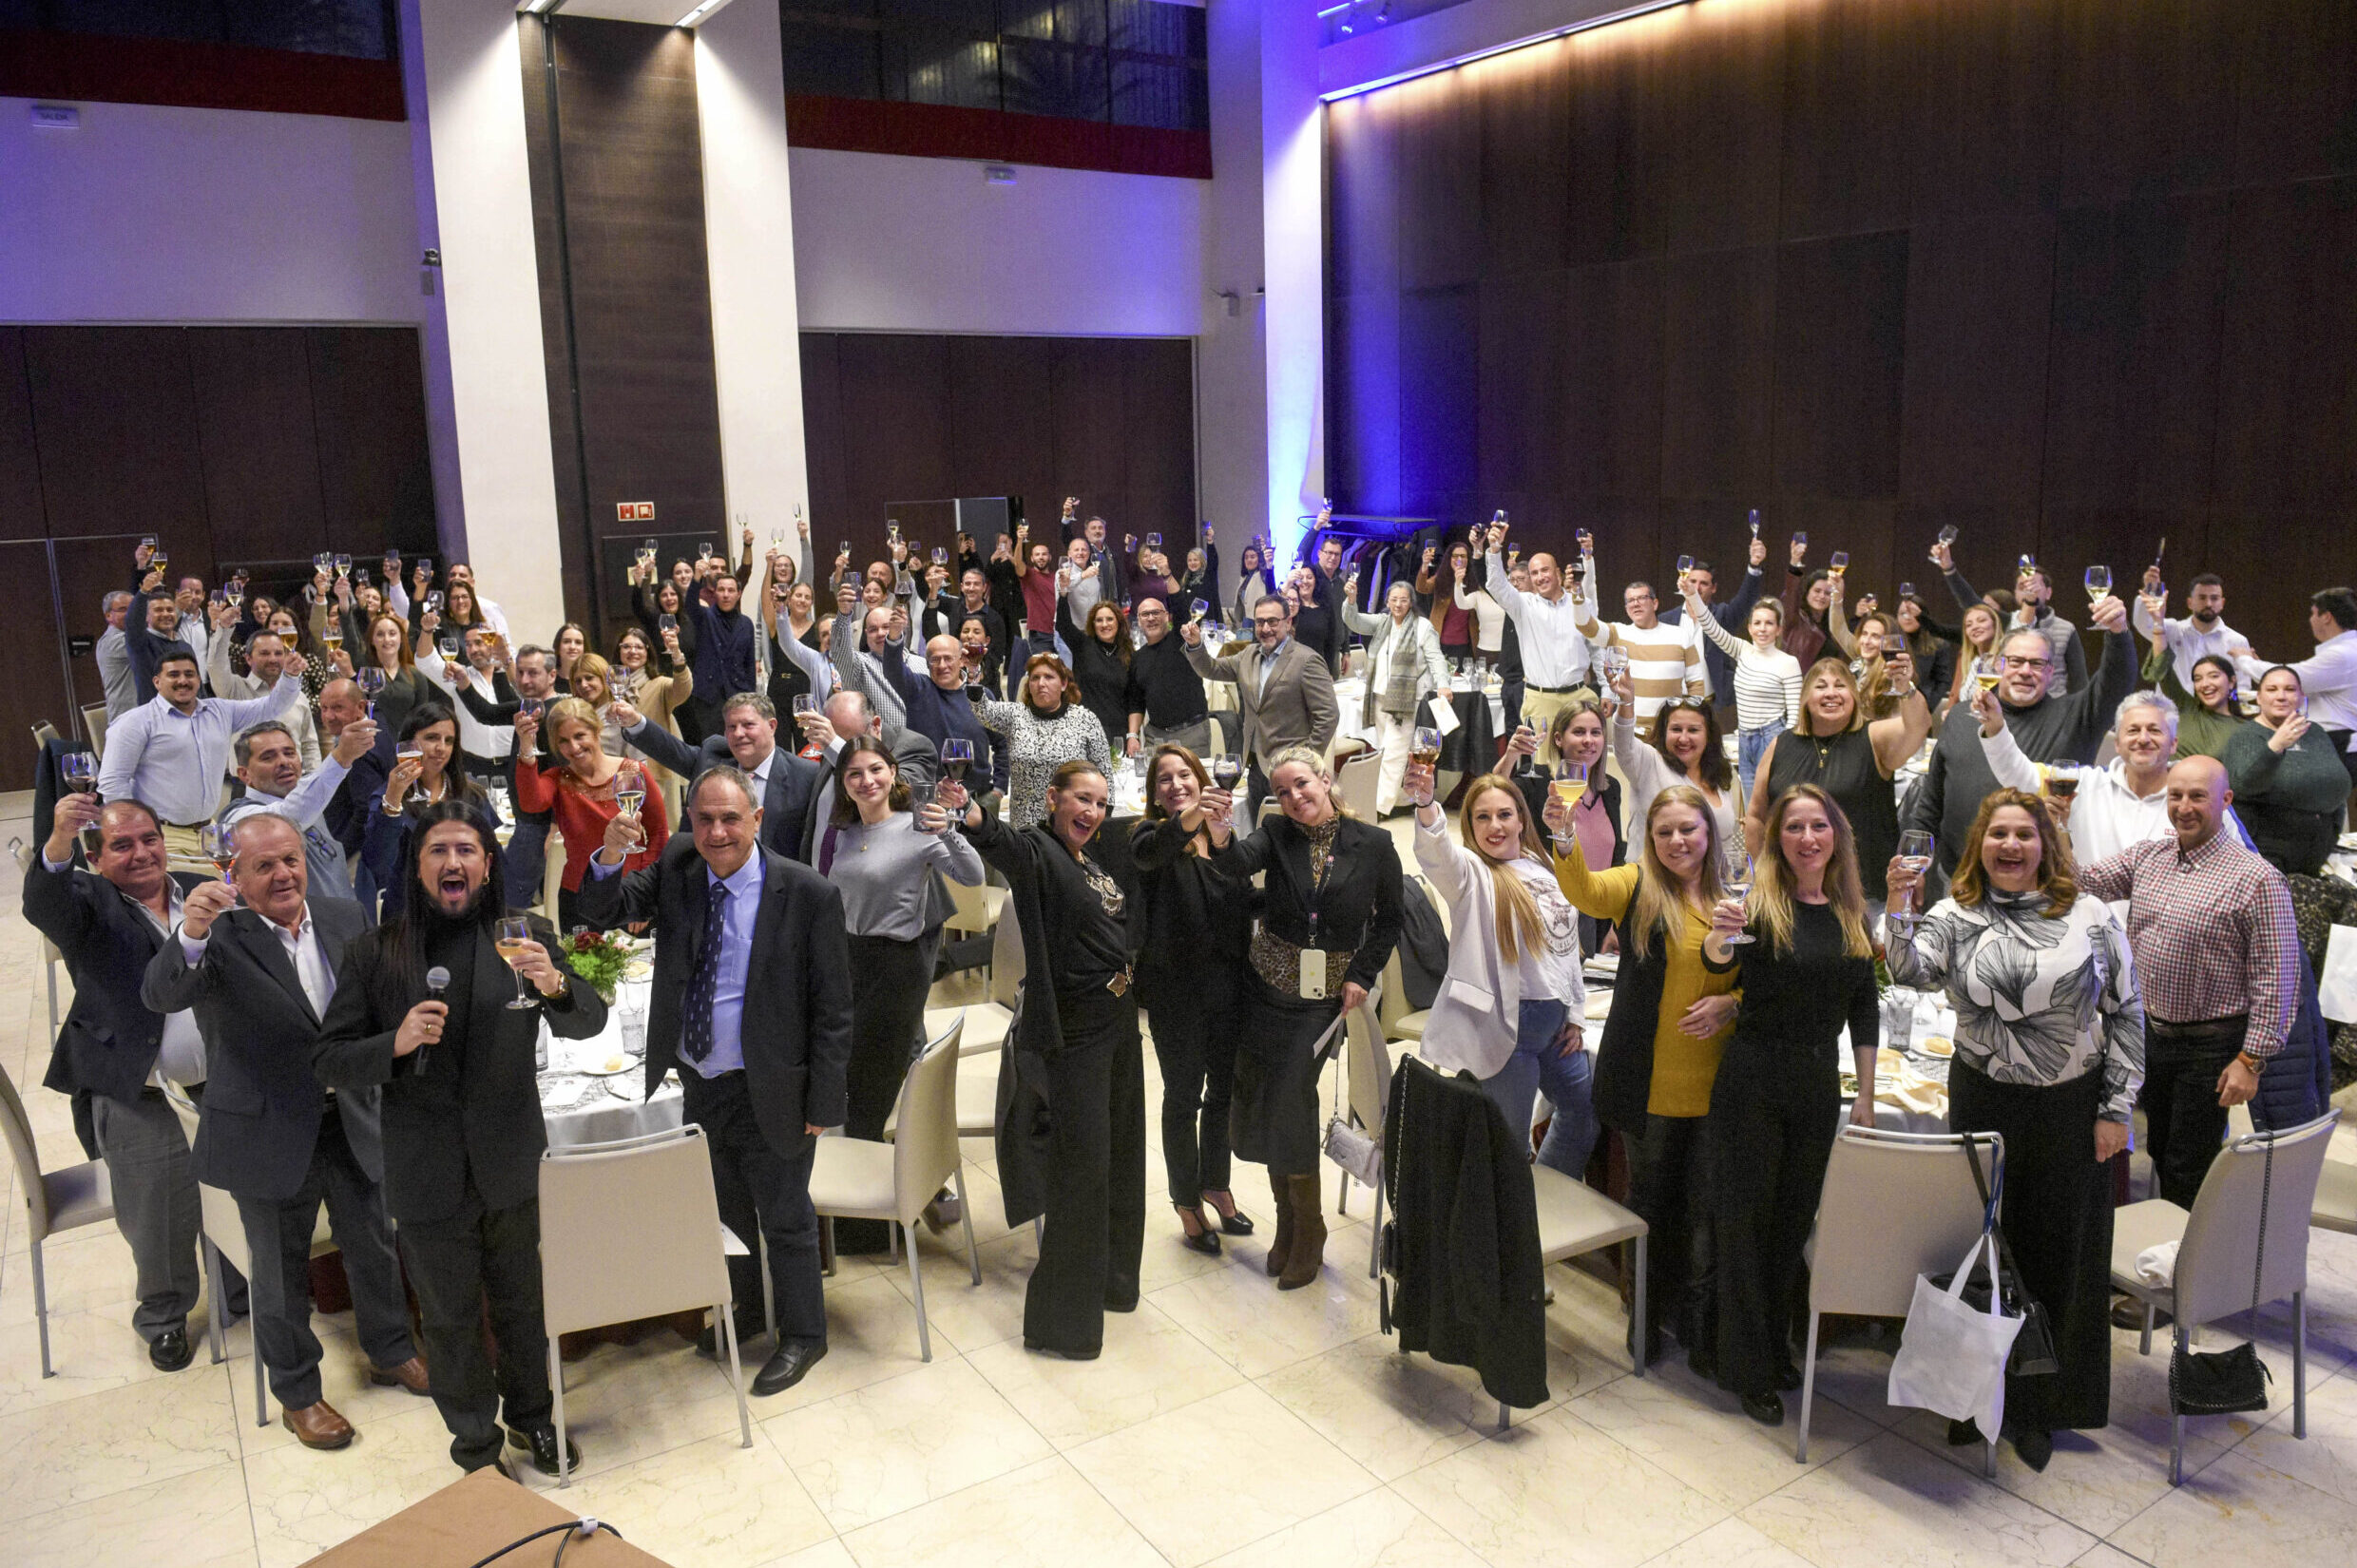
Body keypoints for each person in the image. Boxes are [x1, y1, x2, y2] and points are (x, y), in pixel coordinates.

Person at [314, 805, 604, 1476]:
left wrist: (555, 983)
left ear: (488, 865)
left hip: (511, 1162)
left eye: (467, 850)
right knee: (448, 1320)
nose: (453, 863)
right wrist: (394, 1043)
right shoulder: (375, 952)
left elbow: (587, 1024)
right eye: (438, 851)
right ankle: (474, 1443)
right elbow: (328, 1059)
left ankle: (534, 1420)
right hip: (426, 1172)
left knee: (523, 1306)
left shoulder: (525, 937)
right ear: (417, 868)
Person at [142, 814, 426, 1450]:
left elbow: (378, 1004)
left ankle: (391, 1350)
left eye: (290, 859)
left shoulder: (344, 915)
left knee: (374, 1244)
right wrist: (190, 932)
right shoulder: (218, 937)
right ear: (235, 876)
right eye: (264, 866)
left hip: (350, 1116)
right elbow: (160, 994)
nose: (283, 875)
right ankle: (298, 1392)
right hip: (267, 1130)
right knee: (277, 1269)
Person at [1886, 790, 2144, 1471]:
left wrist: (2116, 1109)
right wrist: (1899, 903)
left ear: (2045, 845)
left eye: (2023, 835)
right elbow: (1907, 971)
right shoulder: (1955, 914)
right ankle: (1972, 1395)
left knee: (2058, 1251)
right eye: (1997, 834)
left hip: (2070, 1106)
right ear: (1979, 846)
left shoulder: (2090, 915)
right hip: (1983, 1101)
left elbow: (2126, 1012)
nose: (2010, 846)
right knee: (1983, 1252)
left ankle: (2039, 1408)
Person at [578, 766, 853, 1394]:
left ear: (757, 819)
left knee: (784, 1217)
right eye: (704, 819)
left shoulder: (807, 893)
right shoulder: (679, 864)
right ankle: (748, 1311)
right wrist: (610, 855)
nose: (717, 831)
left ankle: (805, 1334)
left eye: (731, 818)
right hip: (701, 1080)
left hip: (774, 1084)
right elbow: (603, 912)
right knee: (725, 1212)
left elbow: (834, 1009)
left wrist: (823, 1100)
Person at [24, 796, 238, 1372]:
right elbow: (43, 900)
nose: (141, 853)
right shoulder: (87, 903)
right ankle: (165, 1317)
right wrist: (58, 840)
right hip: (142, 1094)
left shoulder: (196, 887)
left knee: (241, 1188)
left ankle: (239, 1286)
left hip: (223, 1085)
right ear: (95, 860)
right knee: (159, 1215)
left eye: (149, 839)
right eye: (122, 845)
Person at [1702, 783, 1881, 1426]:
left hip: (1816, 1085)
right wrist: (1719, 937)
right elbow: (1717, 962)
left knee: (1790, 1226)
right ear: (1777, 838)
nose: (1808, 838)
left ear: (1836, 836)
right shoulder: (1757, 906)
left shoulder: (1850, 913)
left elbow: (1864, 1007)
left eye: (1819, 826)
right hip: (1754, 1078)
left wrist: (1865, 1094)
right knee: (1746, 1225)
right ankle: (1745, 1367)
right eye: (1795, 827)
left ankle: (1773, 1346)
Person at [954, 761, 1144, 1357]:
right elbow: (1003, 844)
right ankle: (1064, 1325)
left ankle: (1114, 1284)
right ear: (1053, 800)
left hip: (1119, 1020)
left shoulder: (1089, 860)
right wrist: (974, 814)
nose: (1092, 812)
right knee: (1082, 1169)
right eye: (1082, 799)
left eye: (1101, 803)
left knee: (1122, 1153)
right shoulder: (1039, 850)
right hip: (1079, 1032)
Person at [1548, 785, 1735, 1367]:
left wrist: (1734, 1003)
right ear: (1650, 839)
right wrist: (1563, 838)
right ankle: (1645, 1319)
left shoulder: (1734, 896)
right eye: (1664, 832)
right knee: (1649, 1202)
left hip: (1716, 1083)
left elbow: (1762, 976)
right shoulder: (1637, 885)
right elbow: (1583, 890)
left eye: (1688, 829)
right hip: (1648, 1080)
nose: (1677, 841)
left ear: (1709, 833)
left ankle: (1699, 1329)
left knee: (1705, 1208)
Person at [1203, 747, 1403, 1290]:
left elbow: (1390, 919)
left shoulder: (1374, 844)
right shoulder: (1275, 831)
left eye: (1302, 785)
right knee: (1265, 1098)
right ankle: (1288, 1223)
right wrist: (1220, 835)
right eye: (1282, 791)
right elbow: (1237, 863)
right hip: (1265, 987)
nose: (1294, 798)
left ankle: (1309, 1228)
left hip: (1323, 998)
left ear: (1325, 779)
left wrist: (1362, 974)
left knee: (1292, 1096)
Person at [2076, 758, 2297, 1210]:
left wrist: (2250, 1060)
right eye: (2175, 796)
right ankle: (2168, 1237)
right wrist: (2050, 831)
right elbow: (2084, 882)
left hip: (2211, 1046)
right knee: (2158, 1149)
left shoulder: (2258, 879)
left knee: (2186, 1164)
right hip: (2150, 1036)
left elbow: (2277, 979)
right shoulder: (2148, 857)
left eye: (2198, 796)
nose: (2184, 806)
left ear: (2225, 800)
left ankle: (2189, 1250)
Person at [815, 738, 984, 1248]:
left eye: (875, 770)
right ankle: (872, 1201)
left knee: (872, 1088)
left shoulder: (917, 827)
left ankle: (873, 1225)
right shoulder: (843, 832)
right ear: (844, 784)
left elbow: (972, 875)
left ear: (893, 773)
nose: (866, 781)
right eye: (854, 774)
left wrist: (947, 829)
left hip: (898, 967)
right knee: (854, 1080)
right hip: (851, 960)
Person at [1407, 763, 1594, 1178]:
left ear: (1522, 820)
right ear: (1469, 826)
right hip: (1507, 1032)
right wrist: (1426, 803)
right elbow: (1437, 853)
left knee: (1584, 1110)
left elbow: (1566, 947)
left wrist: (1576, 1013)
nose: (1495, 826)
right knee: (1508, 1146)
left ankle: (1547, 1196)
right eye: (1483, 817)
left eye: (1504, 814)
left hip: (1555, 1025)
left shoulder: (1541, 864)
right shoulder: (1471, 874)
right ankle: (1511, 1212)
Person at [1903, 596, 2137, 893]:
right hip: (1958, 879)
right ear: (2000, 665)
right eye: (2016, 661)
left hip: (2038, 887)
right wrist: (1914, 868)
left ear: (2051, 672)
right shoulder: (1961, 717)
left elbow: (2117, 680)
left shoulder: (2077, 717)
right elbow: (1930, 804)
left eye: (2037, 663)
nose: (2025, 670)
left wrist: (2118, 632)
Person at [1130, 747, 1256, 1252]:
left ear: (1201, 778)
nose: (1176, 783)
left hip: (1229, 985)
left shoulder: (1222, 838)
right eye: (1165, 778)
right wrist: (1192, 817)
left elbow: (1241, 901)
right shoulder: (1148, 836)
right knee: (1183, 1097)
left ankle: (1216, 1185)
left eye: (1185, 774)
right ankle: (1186, 1201)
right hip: (1176, 992)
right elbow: (1152, 852)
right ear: (1155, 793)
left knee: (1223, 1092)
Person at [1747, 653, 1931, 918]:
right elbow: (1756, 816)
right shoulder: (1781, 744)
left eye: (1840, 685)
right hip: (1790, 892)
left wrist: (1905, 688)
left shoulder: (1873, 737)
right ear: (1805, 698)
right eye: (1821, 686)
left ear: (1854, 696)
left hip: (1863, 896)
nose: (1831, 693)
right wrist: (1758, 880)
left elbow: (1918, 725)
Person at [96, 645, 305, 859]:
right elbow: (113, 782)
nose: (183, 680)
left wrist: (290, 676)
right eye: (173, 675)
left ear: (198, 680)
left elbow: (272, 706)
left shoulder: (220, 711)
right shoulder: (135, 722)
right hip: (163, 835)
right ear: (157, 682)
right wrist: (135, 832)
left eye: (189, 674)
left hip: (209, 832)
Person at [1975, 686, 2192, 865]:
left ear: (2174, 743)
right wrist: (1996, 727)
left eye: (2154, 730)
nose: (2143, 739)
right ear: (2117, 743)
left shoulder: (2195, 799)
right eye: (2133, 730)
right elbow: (2018, 774)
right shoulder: (2083, 783)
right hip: (2092, 906)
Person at [512, 697, 672, 928]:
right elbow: (531, 803)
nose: (574, 747)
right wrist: (526, 748)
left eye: (579, 736)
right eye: (563, 741)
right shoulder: (558, 779)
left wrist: (647, 896)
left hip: (631, 895)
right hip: (578, 899)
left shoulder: (633, 773)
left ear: (597, 731)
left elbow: (658, 834)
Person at [622, 689, 825, 867]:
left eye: (748, 725)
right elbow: (672, 751)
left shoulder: (805, 775)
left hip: (776, 883)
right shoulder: (713, 758)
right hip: (709, 876)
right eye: (731, 727)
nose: (738, 733)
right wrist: (635, 722)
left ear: (772, 726)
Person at [1180, 597, 1339, 813]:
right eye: (1260, 622)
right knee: (1260, 828)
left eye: (1272, 621)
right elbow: (1211, 669)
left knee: (1293, 829)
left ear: (1288, 622)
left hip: (1292, 769)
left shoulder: (1306, 660)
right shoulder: (1249, 655)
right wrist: (1195, 645)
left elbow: (1328, 715)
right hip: (1255, 766)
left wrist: (1307, 759)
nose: (1265, 629)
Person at [220, 716, 379, 904]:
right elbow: (287, 819)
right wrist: (341, 756)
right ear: (244, 774)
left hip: (344, 916)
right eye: (268, 757)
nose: (283, 762)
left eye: (289, 753)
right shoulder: (238, 818)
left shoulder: (309, 802)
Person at [361, 704, 495, 920]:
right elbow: (378, 862)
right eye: (432, 738)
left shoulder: (472, 794)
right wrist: (393, 799)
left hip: (467, 910)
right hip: (409, 913)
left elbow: (491, 853)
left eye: (449, 741)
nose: (441, 748)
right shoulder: (388, 797)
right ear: (408, 744)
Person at [1482, 521, 1593, 762]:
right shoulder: (1523, 605)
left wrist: (1588, 557)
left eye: (1545, 571)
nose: (1540, 577)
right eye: (1534, 573)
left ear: (1558, 573)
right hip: (1541, 700)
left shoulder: (1579, 603)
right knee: (1545, 768)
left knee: (1584, 763)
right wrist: (1494, 549)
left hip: (1578, 696)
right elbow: (1497, 585)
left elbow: (1596, 643)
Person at [1609, 679, 1744, 874]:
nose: (1683, 738)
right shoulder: (1648, 763)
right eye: (1676, 729)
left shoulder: (1720, 773)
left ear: (1708, 735)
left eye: (1693, 730)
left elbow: (1726, 847)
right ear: (1664, 732)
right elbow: (1624, 742)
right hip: (1652, 884)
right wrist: (1626, 702)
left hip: (1709, 886)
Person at [1340, 579, 1450, 815]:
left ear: (1411, 602)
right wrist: (1351, 600)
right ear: (1387, 602)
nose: (1398, 604)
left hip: (1406, 701)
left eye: (1403, 600)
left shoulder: (1423, 627)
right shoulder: (1383, 623)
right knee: (1385, 750)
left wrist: (1443, 684)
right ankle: (1400, 798)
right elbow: (1353, 620)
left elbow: (1436, 658)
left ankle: (1379, 807)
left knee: (1393, 753)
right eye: (1394, 600)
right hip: (1380, 697)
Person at [2224, 666, 2347, 877]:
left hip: (2316, 853)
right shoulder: (2244, 736)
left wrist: (2333, 829)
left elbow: (2339, 782)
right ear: (2259, 697)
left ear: (2301, 697)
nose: (2281, 696)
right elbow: (2243, 785)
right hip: (2268, 857)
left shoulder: (2315, 732)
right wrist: (2275, 746)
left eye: (2289, 689)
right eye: (2272, 689)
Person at [969, 652, 1116, 829]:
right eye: (1035, 678)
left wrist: (1101, 822)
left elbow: (1105, 775)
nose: (1041, 683)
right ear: (1029, 685)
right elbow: (982, 709)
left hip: (1072, 825)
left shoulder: (1085, 719)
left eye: (1049, 677)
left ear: (1063, 684)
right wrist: (973, 672)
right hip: (1025, 827)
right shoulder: (1015, 715)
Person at [1684, 584, 1801, 801]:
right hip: (1745, 738)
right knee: (1750, 805)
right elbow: (1711, 627)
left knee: (1774, 804)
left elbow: (1795, 714)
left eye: (1769, 623)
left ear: (1778, 629)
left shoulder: (1788, 662)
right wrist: (1692, 596)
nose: (1762, 629)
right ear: (1749, 628)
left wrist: (1782, 746)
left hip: (1772, 737)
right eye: (1757, 623)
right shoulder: (1743, 650)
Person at [2235, 587, 2357, 794]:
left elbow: (2292, 679)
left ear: (2326, 617)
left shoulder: (2343, 654)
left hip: (2337, 743)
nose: (2311, 620)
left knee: (2313, 804)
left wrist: (2244, 659)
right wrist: (2263, 668)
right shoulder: (2347, 650)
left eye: (2313, 613)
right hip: (2337, 742)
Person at [1934, 544, 2087, 698]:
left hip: (2053, 705)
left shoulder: (2066, 628)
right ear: (2015, 593)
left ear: (2048, 593)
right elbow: (1971, 602)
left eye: (2034, 585)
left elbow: (2079, 681)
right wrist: (1949, 568)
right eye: (2022, 586)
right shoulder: (2006, 621)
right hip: (2012, 703)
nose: (2029, 589)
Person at [1577, 566, 1709, 725]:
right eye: (1630, 600)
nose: (1636, 604)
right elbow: (1584, 625)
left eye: (1642, 598)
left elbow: (1696, 684)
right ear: (1626, 608)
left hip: (1668, 729)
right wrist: (1577, 593)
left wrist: (1692, 721)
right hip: (1629, 728)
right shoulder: (1617, 633)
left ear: (1655, 603)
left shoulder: (1681, 636)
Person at [205, 622, 321, 770]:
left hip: (292, 779)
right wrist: (224, 628)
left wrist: (313, 777)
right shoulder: (234, 690)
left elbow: (309, 745)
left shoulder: (298, 696)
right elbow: (216, 666)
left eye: (278, 653)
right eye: (264, 653)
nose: (273, 659)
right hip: (246, 781)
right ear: (248, 659)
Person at [681, 556, 759, 747]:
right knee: (713, 748)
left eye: (731, 590)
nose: (726, 595)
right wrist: (697, 577)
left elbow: (749, 664)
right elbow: (690, 606)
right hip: (709, 698)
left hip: (739, 694)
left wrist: (751, 698)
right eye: (721, 590)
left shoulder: (746, 624)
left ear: (738, 594)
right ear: (714, 593)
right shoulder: (705, 617)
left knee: (741, 745)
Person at [1123, 597, 1215, 757]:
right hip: (1155, 737)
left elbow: (1180, 607)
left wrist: (1169, 580)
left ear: (1167, 616)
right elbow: (1136, 703)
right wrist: (1132, 735)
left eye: (1156, 612)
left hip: (1191, 734)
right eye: (1145, 614)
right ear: (1139, 620)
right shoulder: (1137, 658)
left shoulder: (1181, 640)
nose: (1151, 618)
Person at [2134, 572, 2243, 692]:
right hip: (2168, 703)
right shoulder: (2172, 630)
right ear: (2190, 603)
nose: (2208, 604)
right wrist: (2150, 591)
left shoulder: (2237, 641)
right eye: (2202, 598)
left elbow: (2242, 688)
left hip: (2212, 704)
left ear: (2222, 603)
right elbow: (2144, 623)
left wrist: (2227, 703)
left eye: (2214, 598)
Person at [2146, 641, 2248, 761]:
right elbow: (2162, 665)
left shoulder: (2244, 729)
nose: (2205, 684)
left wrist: (2252, 665)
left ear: (2231, 682)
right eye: (2198, 679)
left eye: (2214, 676)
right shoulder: (2185, 706)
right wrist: (2159, 631)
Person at [1070, 601, 1135, 756]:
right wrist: (1064, 592)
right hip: (1086, 730)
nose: (1104, 624)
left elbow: (1133, 700)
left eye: (1109, 619)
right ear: (1093, 624)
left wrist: (1132, 735)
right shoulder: (1083, 646)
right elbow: (1063, 624)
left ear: (1118, 622)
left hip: (1119, 733)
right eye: (1099, 620)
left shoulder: (1128, 653)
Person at [97, 589, 141, 718]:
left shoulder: (128, 636)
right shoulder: (113, 641)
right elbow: (152, 643)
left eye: (133, 608)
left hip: (136, 714)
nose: (131, 613)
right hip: (126, 719)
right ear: (108, 616)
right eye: (123, 609)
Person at [1230, 541, 1276, 630]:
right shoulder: (1244, 578)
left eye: (1252, 557)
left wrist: (1266, 558)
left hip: (1258, 620)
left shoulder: (1262, 574)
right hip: (1245, 621)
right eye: (1246, 557)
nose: (1249, 560)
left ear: (1259, 558)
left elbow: (1268, 574)